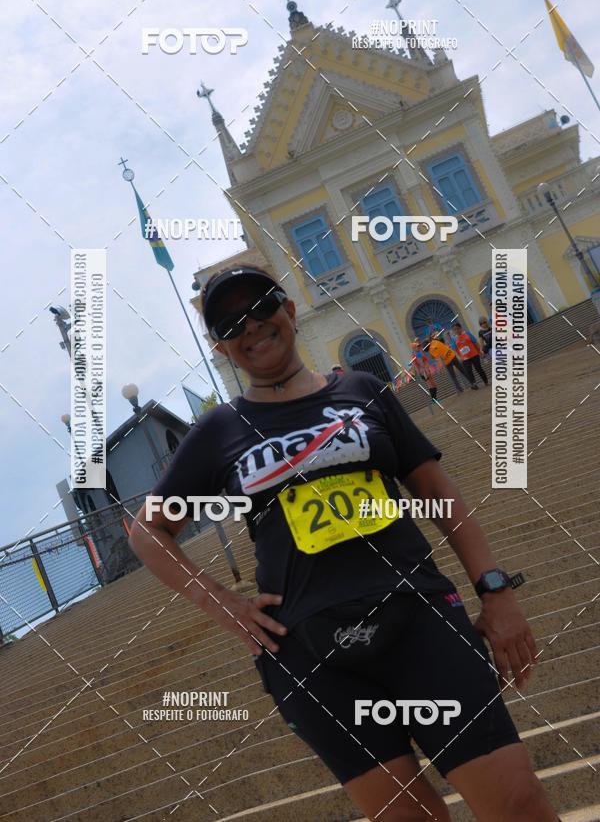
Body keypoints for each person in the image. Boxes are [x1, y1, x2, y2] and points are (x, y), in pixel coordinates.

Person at [128, 264, 557, 822]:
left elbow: (438, 493)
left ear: (290, 309)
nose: (251, 325)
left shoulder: (362, 390)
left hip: (420, 618)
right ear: (221, 348)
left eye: (261, 306)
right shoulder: (219, 430)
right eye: (231, 324)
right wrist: (224, 604)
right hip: (309, 655)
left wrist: (495, 590)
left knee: (517, 804)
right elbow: (146, 532)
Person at [451, 323, 489, 388]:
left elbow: (475, 342)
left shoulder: (467, 334)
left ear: (461, 328)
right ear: (454, 331)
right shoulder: (454, 339)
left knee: (479, 368)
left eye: (458, 329)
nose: (457, 331)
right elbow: (455, 350)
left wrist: (480, 351)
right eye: (455, 330)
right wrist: (458, 357)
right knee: (468, 371)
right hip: (465, 358)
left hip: (474, 354)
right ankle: (474, 384)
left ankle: (486, 381)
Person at [410, 339, 441, 404]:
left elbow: (426, 362)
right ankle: (434, 399)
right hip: (423, 372)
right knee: (430, 385)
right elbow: (417, 365)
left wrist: (429, 369)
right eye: (417, 346)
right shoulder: (415, 355)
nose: (419, 347)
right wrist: (421, 373)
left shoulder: (420, 353)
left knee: (434, 384)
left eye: (419, 346)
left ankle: (434, 399)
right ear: (414, 348)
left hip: (427, 370)